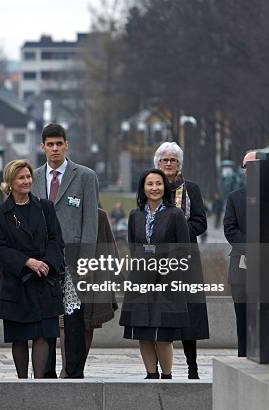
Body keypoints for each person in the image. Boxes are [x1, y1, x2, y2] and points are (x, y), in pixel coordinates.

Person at [32, 123, 99, 378]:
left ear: (67, 145)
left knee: (74, 319)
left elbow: (90, 222)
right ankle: (45, 372)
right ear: (43, 147)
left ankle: (74, 371)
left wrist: (86, 263)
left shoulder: (85, 176)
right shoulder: (34, 177)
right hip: (43, 257)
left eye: (59, 143)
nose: (55, 149)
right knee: (46, 317)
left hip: (73, 256)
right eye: (50, 144)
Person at [0, 159, 65, 379]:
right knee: (19, 337)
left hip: (44, 281)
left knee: (43, 335)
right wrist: (27, 262)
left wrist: (47, 264)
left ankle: (39, 385)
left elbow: (55, 239)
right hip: (16, 283)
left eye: (28, 176)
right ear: (10, 182)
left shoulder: (45, 207)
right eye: (21, 177)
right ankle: (22, 383)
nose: (26, 181)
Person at [119, 168, 191, 379]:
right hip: (141, 279)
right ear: (143, 187)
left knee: (163, 334)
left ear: (164, 186)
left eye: (158, 183)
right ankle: (151, 374)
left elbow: (185, 249)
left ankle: (167, 376)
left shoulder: (175, 214)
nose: (154, 188)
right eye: (150, 184)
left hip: (167, 280)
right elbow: (133, 246)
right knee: (143, 332)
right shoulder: (136, 214)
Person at [154, 141, 209, 379]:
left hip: (185, 260)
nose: (168, 164)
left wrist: (177, 230)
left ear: (179, 164)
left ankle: (192, 367)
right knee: (156, 314)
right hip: (156, 261)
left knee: (190, 316)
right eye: (165, 160)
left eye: (173, 160)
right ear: (157, 163)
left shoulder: (191, 189)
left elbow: (200, 222)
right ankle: (156, 369)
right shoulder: (151, 186)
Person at [223, 150, 256, 357]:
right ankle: (243, 354)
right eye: (248, 166)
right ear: (243, 171)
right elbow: (230, 229)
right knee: (242, 316)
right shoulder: (235, 198)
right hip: (242, 266)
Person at [81, 208, 119, 357]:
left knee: (87, 322)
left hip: (92, 278)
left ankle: (78, 367)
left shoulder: (99, 216)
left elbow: (111, 252)